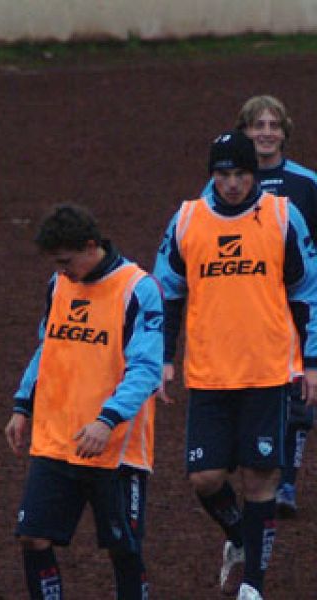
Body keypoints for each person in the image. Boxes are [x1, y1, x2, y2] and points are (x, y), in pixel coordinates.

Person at [154, 130, 317, 600]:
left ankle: (253, 586)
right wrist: (165, 357)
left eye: (242, 173)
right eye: (224, 174)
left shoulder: (284, 217)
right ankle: (239, 539)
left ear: (255, 175)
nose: (232, 183)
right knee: (204, 478)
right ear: (213, 175)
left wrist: (311, 362)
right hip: (208, 371)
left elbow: (307, 292)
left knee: (262, 477)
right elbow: (165, 293)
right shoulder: (187, 220)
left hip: (268, 369)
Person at [5, 204, 163, 600]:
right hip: (57, 440)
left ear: (90, 246)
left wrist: (107, 420)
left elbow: (145, 369)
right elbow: (49, 347)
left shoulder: (137, 288)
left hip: (114, 448)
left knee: (122, 547)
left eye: (66, 261)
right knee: (33, 536)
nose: (62, 270)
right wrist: (23, 404)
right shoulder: (59, 283)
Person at [202, 95, 317, 518]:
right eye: (257, 125)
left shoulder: (307, 183)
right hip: (250, 306)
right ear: (244, 132)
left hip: (298, 301)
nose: (266, 133)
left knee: (302, 392)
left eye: (273, 125)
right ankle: (256, 464)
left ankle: (286, 480)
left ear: (285, 132)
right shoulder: (221, 184)